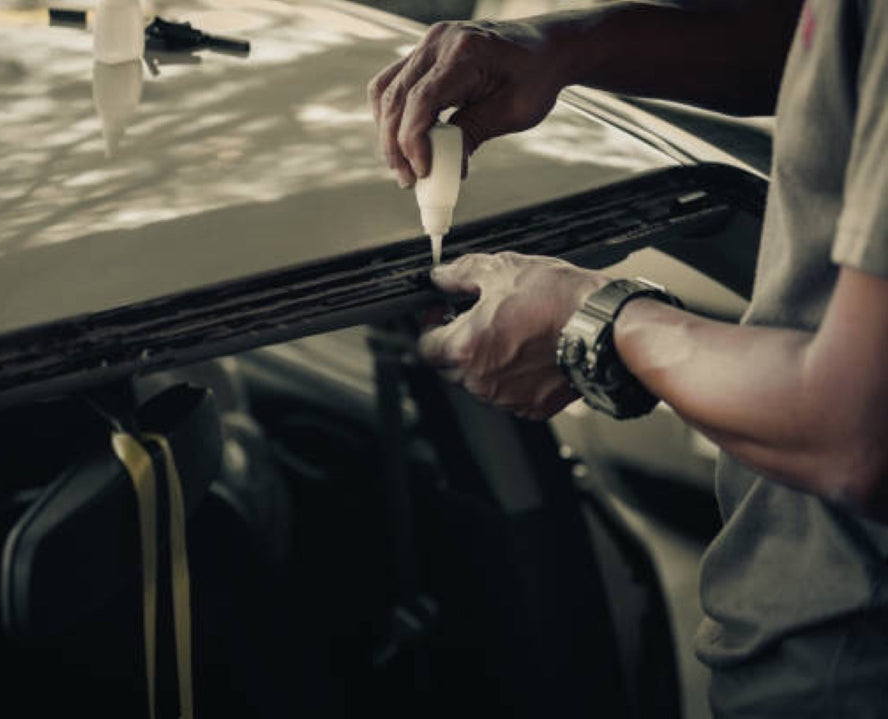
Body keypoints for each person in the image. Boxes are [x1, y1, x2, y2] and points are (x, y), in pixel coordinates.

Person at [368, 1, 888, 715]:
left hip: (848, 656)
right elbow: (824, 46)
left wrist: (596, 320)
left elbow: (855, 429)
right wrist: (561, 47)